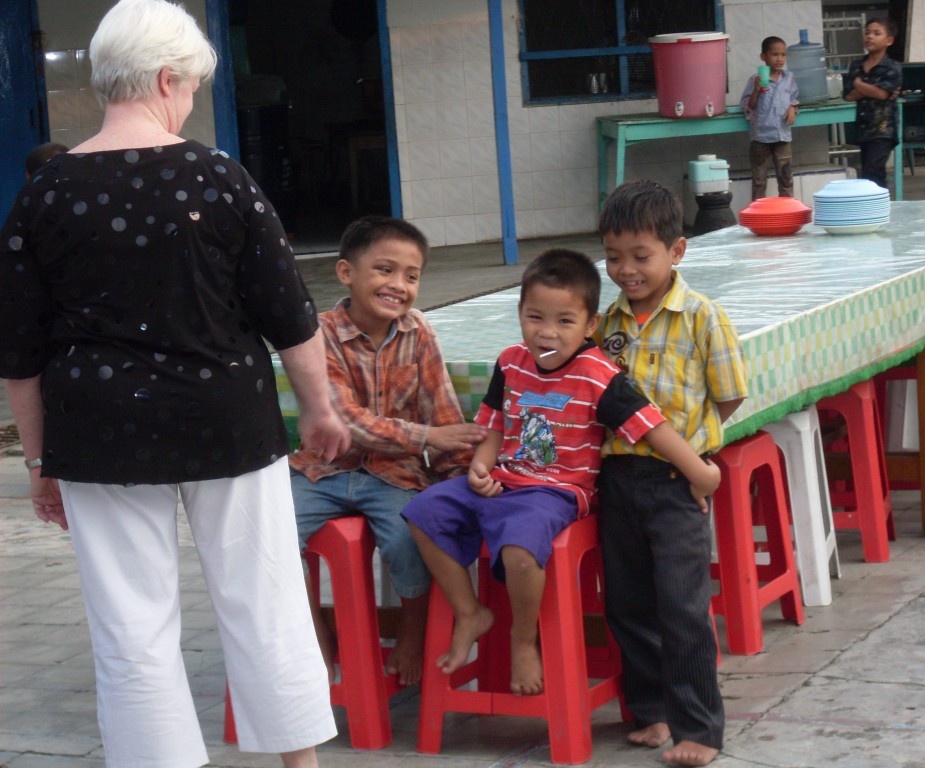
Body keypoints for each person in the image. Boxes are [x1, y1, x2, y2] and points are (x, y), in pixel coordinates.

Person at [0, 1, 351, 766]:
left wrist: (38, 460)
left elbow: (18, 351)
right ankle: (299, 764)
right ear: (166, 79)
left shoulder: (45, 192)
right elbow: (289, 316)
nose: (190, 100)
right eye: (191, 86)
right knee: (263, 601)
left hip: (99, 431)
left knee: (130, 625)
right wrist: (319, 410)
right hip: (226, 417)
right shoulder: (219, 177)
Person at [402, 248, 721, 697]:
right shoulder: (510, 362)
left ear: (590, 325)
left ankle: (523, 639)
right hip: (505, 479)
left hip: (556, 492)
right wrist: (480, 466)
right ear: (519, 313)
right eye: (535, 317)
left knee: (519, 552)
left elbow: (651, 427)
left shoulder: (598, 375)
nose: (547, 332)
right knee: (423, 512)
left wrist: (698, 473)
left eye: (564, 321)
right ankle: (469, 612)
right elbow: (495, 424)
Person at [290, 215, 485, 686]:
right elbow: (344, 419)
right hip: (321, 470)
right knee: (272, 537)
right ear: (346, 272)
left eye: (411, 276)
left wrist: (462, 478)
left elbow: (442, 412)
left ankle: (412, 630)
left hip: (394, 474)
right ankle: (314, 636)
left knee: (409, 537)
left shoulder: (419, 333)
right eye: (384, 270)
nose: (398, 285)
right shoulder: (319, 334)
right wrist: (426, 438)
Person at [595, 180, 749, 767]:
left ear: (676, 251)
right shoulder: (604, 321)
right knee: (628, 602)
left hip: (675, 483)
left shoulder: (702, 317)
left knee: (683, 607)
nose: (626, 270)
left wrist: (690, 454)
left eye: (641, 256)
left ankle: (700, 729)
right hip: (617, 480)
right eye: (613, 257)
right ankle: (651, 710)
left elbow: (729, 395)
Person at [843, 18, 903, 190]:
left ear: (888, 40)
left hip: (883, 130)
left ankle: (880, 202)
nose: (870, 37)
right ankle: (876, 201)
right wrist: (870, 88)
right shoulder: (857, 65)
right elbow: (848, 95)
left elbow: (882, 93)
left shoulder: (892, 67)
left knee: (874, 169)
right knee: (867, 173)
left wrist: (858, 84)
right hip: (863, 128)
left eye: (877, 33)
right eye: (867, 32)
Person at [740, 36, 800, 199]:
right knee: (759, 181)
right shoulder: (755, 79)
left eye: (783, 54)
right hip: (760, 137)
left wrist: (792, 108)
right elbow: (749, 106)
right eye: (774, 54)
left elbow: (794, 99)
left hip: (782, 135)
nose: (779, 59)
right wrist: (757, 89)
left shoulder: (789, 78)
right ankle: (758, 212)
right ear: (763, 57)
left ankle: (788, 211)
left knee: (786, 178)